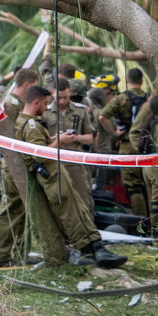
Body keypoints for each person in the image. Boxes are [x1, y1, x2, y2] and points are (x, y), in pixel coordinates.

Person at [15, 86, 127, 268]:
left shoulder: (29, 123)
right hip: (51, 176)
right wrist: (60, 142)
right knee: (71, 213)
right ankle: (88, 249)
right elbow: (38, 154)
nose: (46, 107)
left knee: (79, 209)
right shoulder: (31, 125)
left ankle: (95, 247)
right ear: (36, 102)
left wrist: (53, 138)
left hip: (55, 174)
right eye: (45, 103)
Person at [0, 67, 39, 266]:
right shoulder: (11, 104)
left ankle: (19, 254)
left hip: (19, 162)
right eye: (34, 87)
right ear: (26, 84)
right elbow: (6, 136)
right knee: (10, 209)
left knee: (21, 210)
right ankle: (1, 256)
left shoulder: (16, 103)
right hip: (12, 163)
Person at [99, 68, 150, 218]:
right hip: (147, 146)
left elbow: (102, 117)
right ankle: (153, 221)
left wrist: (114, 133)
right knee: (146, 184)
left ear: (127, 81)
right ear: (141, 81)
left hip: (127, 146)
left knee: (133, 186)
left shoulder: (121, 99)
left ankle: (140, 222)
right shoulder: (149, 99)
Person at [46, 77, 95, 214]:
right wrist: (57, 139)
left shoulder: (80, 110)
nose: (62, 101)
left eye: (66, 97)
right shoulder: (44, 112)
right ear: (52, 92)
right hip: (53, 161)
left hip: (74, 162)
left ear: (70, 93)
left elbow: (90, 137)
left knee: (84, 199)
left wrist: (75, 138)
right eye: (59, 97)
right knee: (57, 200)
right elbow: (39, 141)